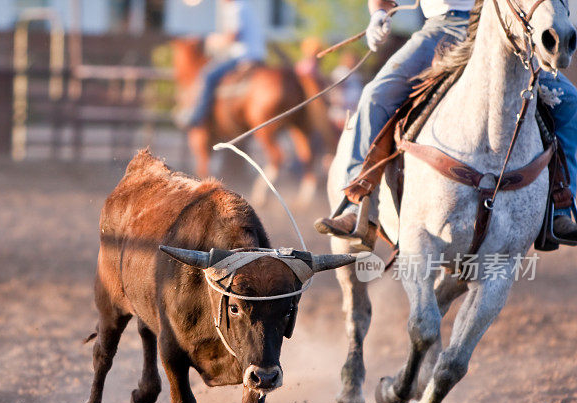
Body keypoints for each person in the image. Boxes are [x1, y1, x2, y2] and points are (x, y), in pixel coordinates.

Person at [315, 0, 577, 243]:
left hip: (506, 30)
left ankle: (560, 204)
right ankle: (358, 203)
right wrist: (380, 13)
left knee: (569, 101)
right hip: (441, 29)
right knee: (375, 96)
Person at [182, 0, 266, 129]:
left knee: (208, 75)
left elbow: (232, 36)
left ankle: (199, 115)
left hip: (242, 56)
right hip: (258, 55)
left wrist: (212, 41)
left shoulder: (235, 8)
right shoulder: (245, 6)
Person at [328, 49, 364, 132]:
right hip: (341, 115)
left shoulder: (355, 73)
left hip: (353, 114)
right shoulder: (340, 72)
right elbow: (335, 93)